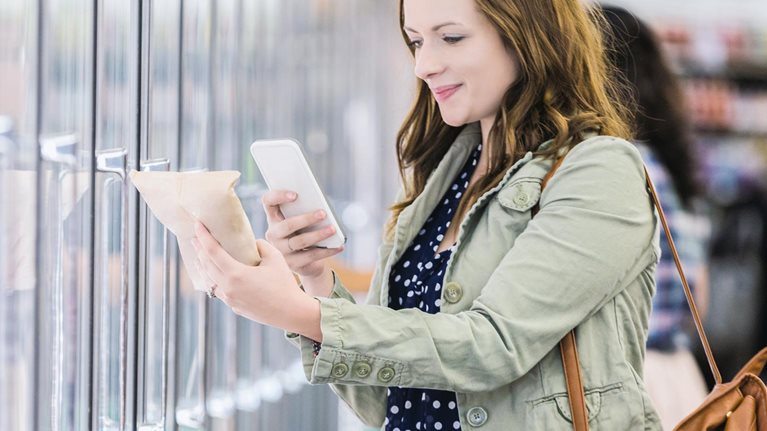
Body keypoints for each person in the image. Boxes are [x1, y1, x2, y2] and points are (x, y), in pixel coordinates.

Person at [191, 0, 663, 429]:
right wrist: (314, 278)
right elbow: (387, 400)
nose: (424, 65)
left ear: (526, 34)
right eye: (416, 41)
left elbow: (492, 347)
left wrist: (297, 311)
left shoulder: (598, 171)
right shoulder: (442, 179)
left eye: (451, 37)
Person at [601, 6, 711, 429]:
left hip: (623, 385)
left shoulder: (612, 166)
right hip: (683, 380)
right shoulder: (676, 169)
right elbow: (699, 301)